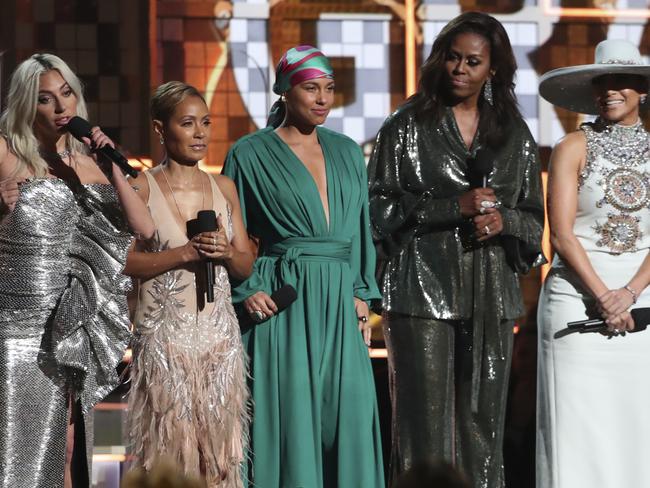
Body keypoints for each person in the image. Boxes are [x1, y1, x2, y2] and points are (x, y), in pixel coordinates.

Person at [368, 12, 545, 487]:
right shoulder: (404, 126)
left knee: (483, 424)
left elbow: (534, 223)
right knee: (422, 426)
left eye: (473, 61)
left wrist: (502, 220)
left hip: (490, 294)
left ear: (493, 69)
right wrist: (452, 207)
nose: (459, 69)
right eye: (452, 57)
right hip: (419, 291)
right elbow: (377, 209)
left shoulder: (514, 135)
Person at [222, 45, 384, 488]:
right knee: (290, 424)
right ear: (285, 91)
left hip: (340, 299)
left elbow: (360, 228)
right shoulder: (250, 153)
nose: (323, 98)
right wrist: (246, 289)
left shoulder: (349, 151)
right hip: (285, 301)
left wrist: (360, 293)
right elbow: (232, 235)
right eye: (311, 88)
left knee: (347, 417)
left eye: (329, 88)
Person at [0, 53, 154, 487]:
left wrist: (110, 164)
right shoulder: (8, 153)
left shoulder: (91, 162)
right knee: (22, 453)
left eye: (66, 93)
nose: (61, 107)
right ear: (27, 107)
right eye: (45, 99)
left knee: (69, 448)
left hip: (71, 324)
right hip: (16, 325)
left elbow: (144, 228)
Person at [123, 81, 253, 487]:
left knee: (217, 460)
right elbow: (123, 261)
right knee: (170, 458)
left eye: (206, 123)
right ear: (161, 129)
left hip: (219, 342)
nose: (200, 133)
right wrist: (183, 254)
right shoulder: (141, 187)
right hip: (164, 342)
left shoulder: (224, 188)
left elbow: (246, 264)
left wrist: (227, 254)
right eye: (187, 123)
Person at [536, 39, 650, 488]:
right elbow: (561, 234)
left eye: (621, 81)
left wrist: (630, 293)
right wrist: (604, 296)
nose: (610, 90)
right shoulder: (571, 146)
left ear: (642, 89)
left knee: (636, 425)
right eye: (601, 82)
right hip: (576, 297)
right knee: (576, 432)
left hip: (641, 301)